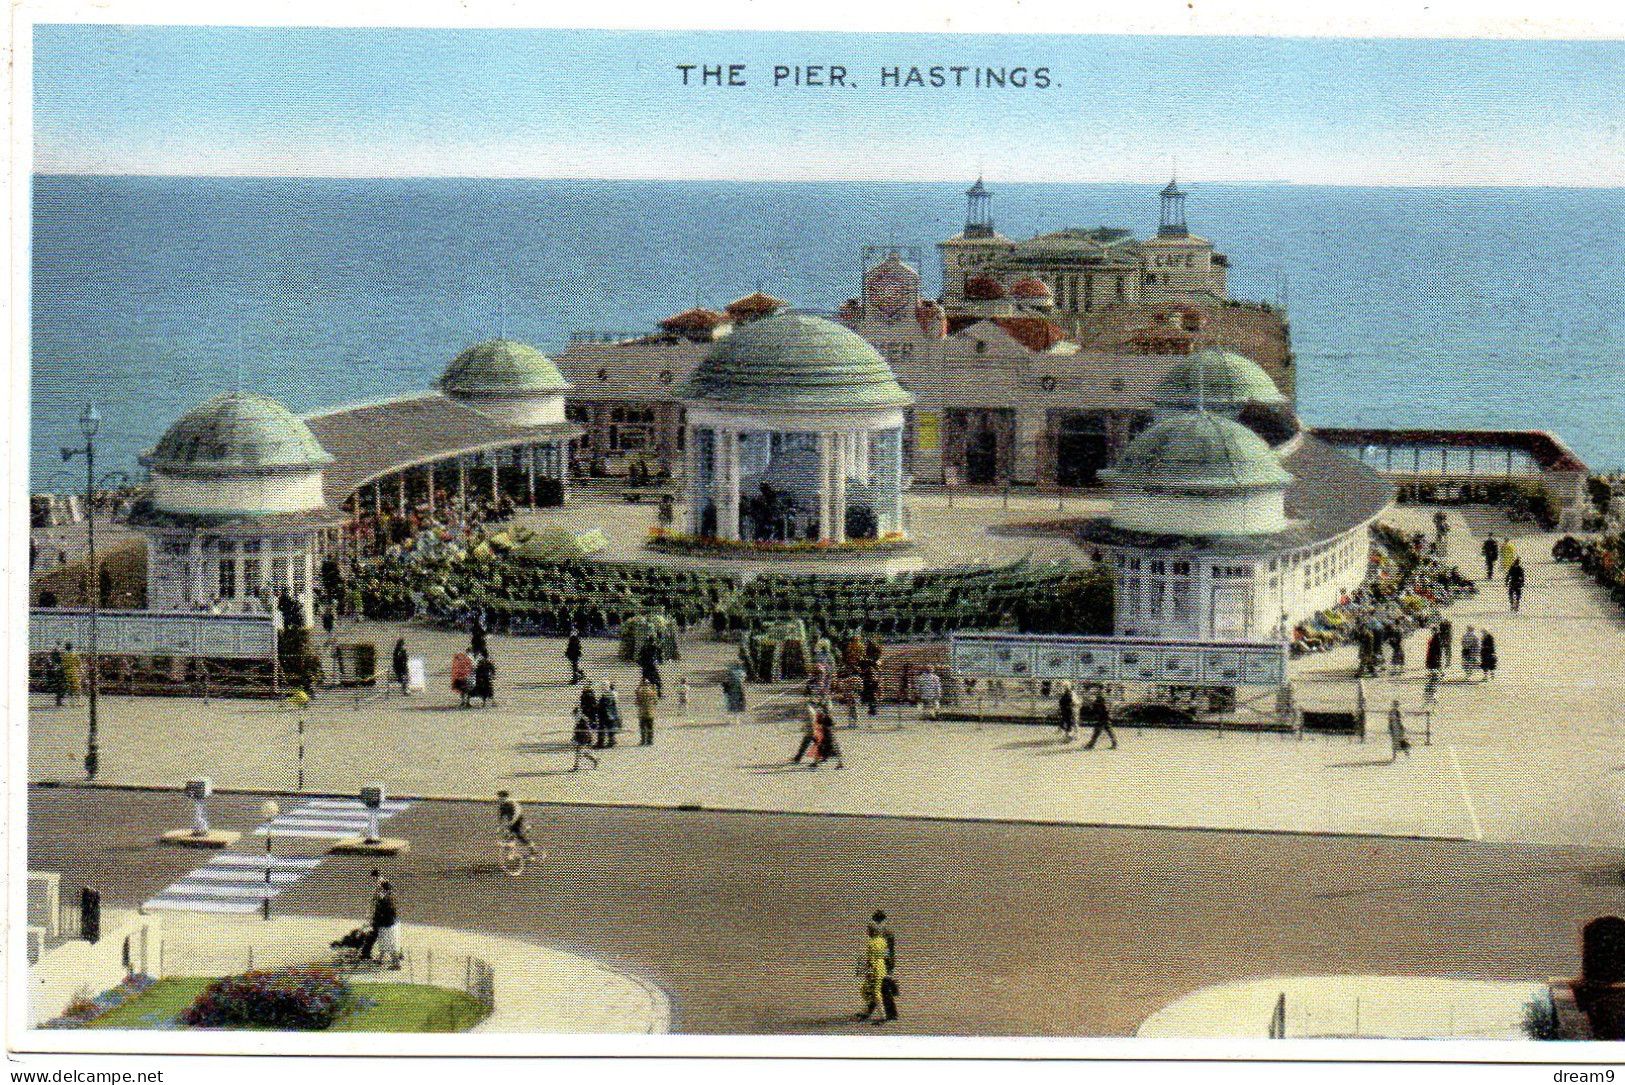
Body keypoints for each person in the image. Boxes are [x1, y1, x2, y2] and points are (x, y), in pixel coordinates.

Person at [857, 913, 897, 1023]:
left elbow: (889, 952)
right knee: (876, 989)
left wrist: (889, 966)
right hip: (882, 965)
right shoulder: (885, 934)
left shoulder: (884, 935)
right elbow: (890, 952)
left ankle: (889, 1014)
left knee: (879, 990)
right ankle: (869, 1012)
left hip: (880, 965)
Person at [370, 879, 401, 969]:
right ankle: (381, 959)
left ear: (383, 890)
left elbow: (380, 913)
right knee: (385, 943)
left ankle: (396, 964)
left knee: (389, 943)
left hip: (387, 924)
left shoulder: (385, 900)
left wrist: (375, 921)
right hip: (391, 923)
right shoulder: (390, 897)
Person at [496, 790, 537, 856]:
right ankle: (512, 852)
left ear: (505, 797)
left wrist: (512, 822)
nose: (498, 799)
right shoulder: (502, 805)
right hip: (512, 822)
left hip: (518, 820)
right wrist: (499, 826)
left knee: (516, 835)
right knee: (511, 835)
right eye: (498, 797)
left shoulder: (511, 803)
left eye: (500, 797)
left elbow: (517, 813)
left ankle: (531, 848)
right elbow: (501, 816)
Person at [813, 700, 844, 769]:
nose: (818, 710)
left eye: (820, 709)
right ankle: (816, 763)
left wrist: (824, 727)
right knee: (819, 748)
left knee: (834, 749)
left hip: (829, 736)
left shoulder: (828, 717)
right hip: (822, 735)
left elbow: (832, 726)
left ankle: (840, 763)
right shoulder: (820, 717)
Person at [571, 707, 600, 771]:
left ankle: (576, 766)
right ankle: (595, 760)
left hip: (584, 737)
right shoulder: (579, 719)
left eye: (575, 713)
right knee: (583, 752)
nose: (574, 715)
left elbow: (586, 729)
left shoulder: (583, 719)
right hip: (581, 737)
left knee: (579, 751)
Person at [634, 677, 659, 746]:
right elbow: (656, 701)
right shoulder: (652, 691)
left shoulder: (639, 691)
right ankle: (650, 741)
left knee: (642, 727)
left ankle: (643, 740)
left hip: (642, 712)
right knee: (650, 727)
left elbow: (636, 702)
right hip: (650, 712)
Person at [597, 681, 621, 748]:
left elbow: (605, 706)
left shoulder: (606, 695)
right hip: (611, 714)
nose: (602, 687)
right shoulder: (612, 694)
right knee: (610, 728)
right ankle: (611, 742)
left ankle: (601, 743)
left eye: (603, 686)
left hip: (605, 715)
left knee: (602, 728)